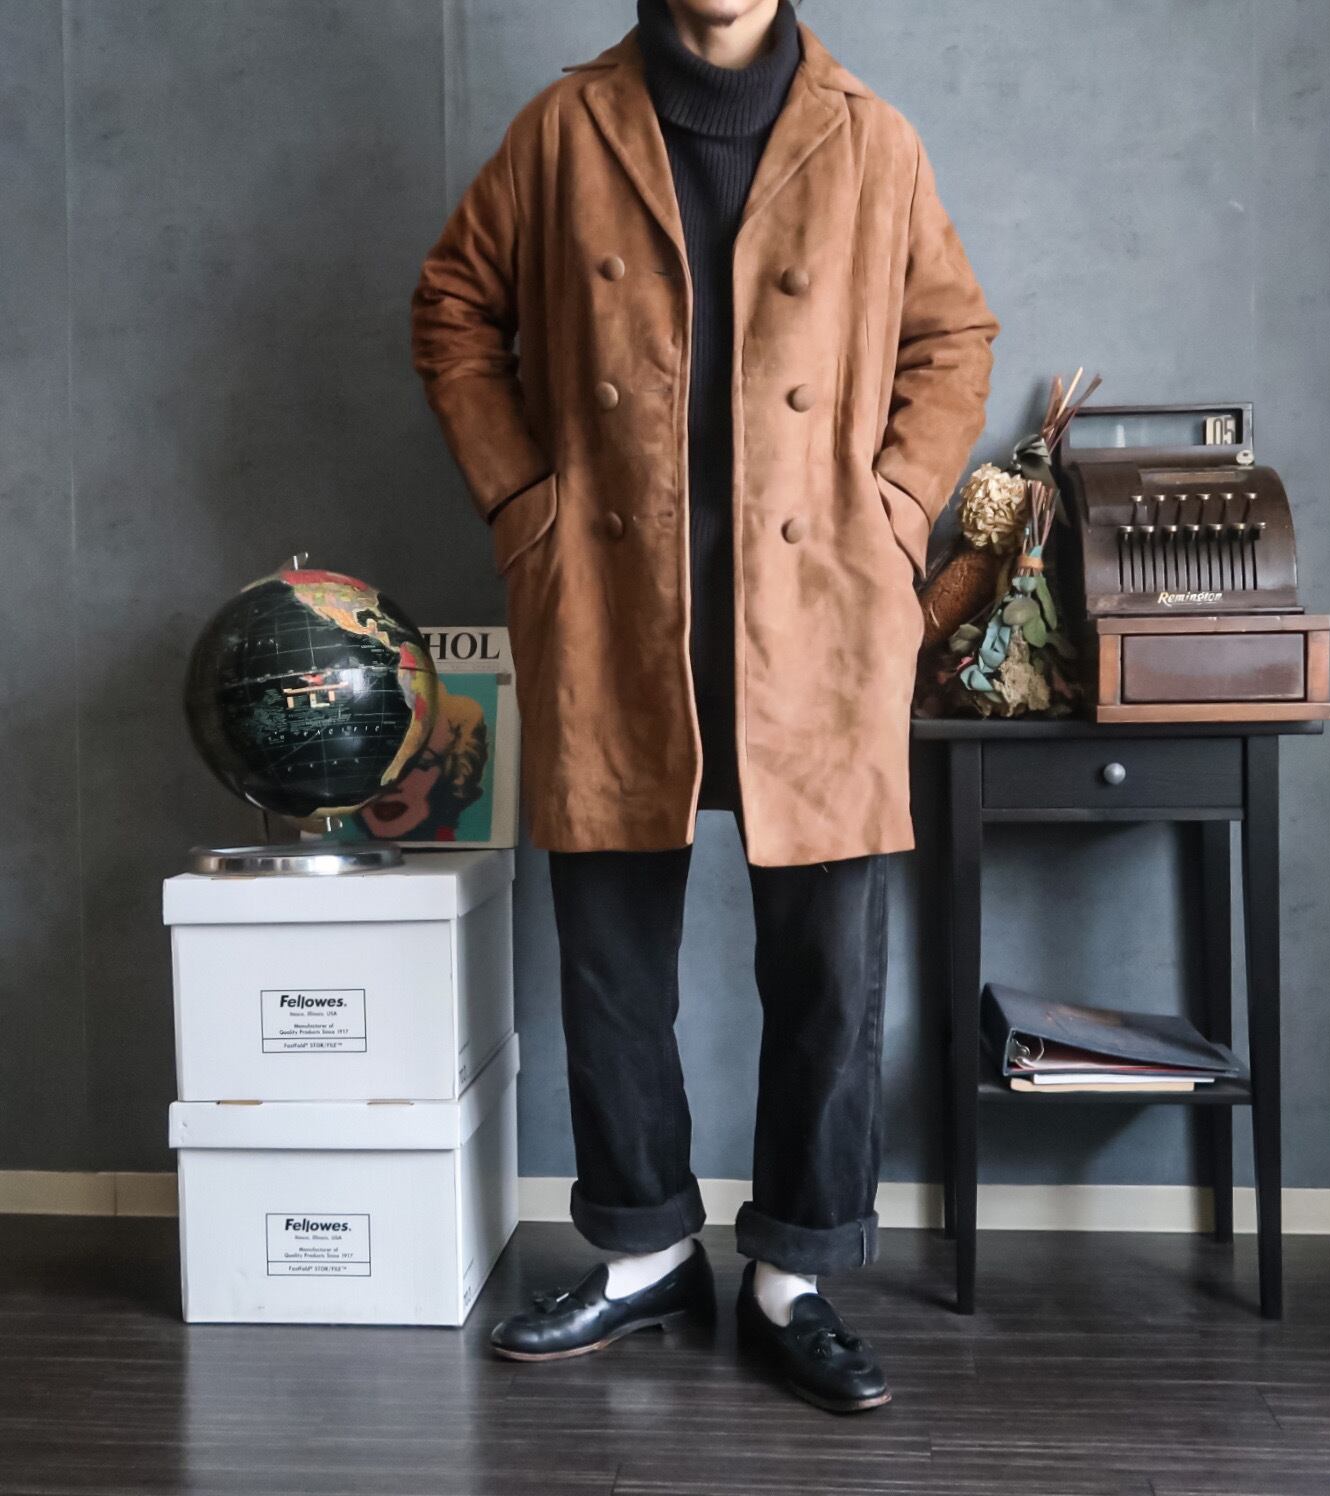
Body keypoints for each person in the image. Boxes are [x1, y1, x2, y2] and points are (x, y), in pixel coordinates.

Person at [410, 0, 999, 1413]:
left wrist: (895, 511)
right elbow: (453, 310)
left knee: (828, 967)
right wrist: (525, 503)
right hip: (618, 601)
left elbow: (953, 338)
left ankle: (795, 1273)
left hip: (822, 615)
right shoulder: (563, 132)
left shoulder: (871, 138)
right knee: (611, 957)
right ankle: (643, 1251)